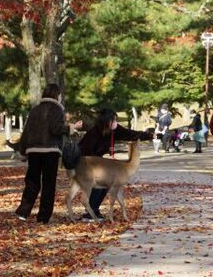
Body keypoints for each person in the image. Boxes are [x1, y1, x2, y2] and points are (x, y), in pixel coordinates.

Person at [15, 84, 82, 223]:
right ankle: (43, 217)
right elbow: (56, 129)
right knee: (48, 184)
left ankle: (23, 212)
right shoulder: (57, 109)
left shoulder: (35, 110)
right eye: (60, 95)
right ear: (56, 95)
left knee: (32, 182)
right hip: (50, 151)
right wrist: (72, 127)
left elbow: (27, 132)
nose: (61, 97)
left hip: (33, 151)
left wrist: (22, 151)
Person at [77, 107, 153, 221]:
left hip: (99, 163)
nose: (115, 123)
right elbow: (86, 151)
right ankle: (90, 212)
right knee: (100, 182)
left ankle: (94, 210)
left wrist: (149, 135)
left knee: (106, 183)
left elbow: (130, 134)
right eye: (113, 120)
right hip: (86, 163)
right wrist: (101, 161)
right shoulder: (94, 133)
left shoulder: (114, 130)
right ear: (106, 122)